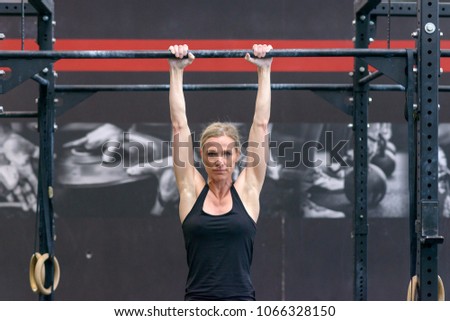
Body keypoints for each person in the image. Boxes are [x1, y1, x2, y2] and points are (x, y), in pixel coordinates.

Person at [168, 43, 272, 300]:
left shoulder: (248, 191)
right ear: (201, 156)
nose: (220, 161)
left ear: (238, 156)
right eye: (212, 153)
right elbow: (179, 126)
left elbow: (260, 124)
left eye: (227, 153)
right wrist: (176, 70)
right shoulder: (190, 191)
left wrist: (264, 70)